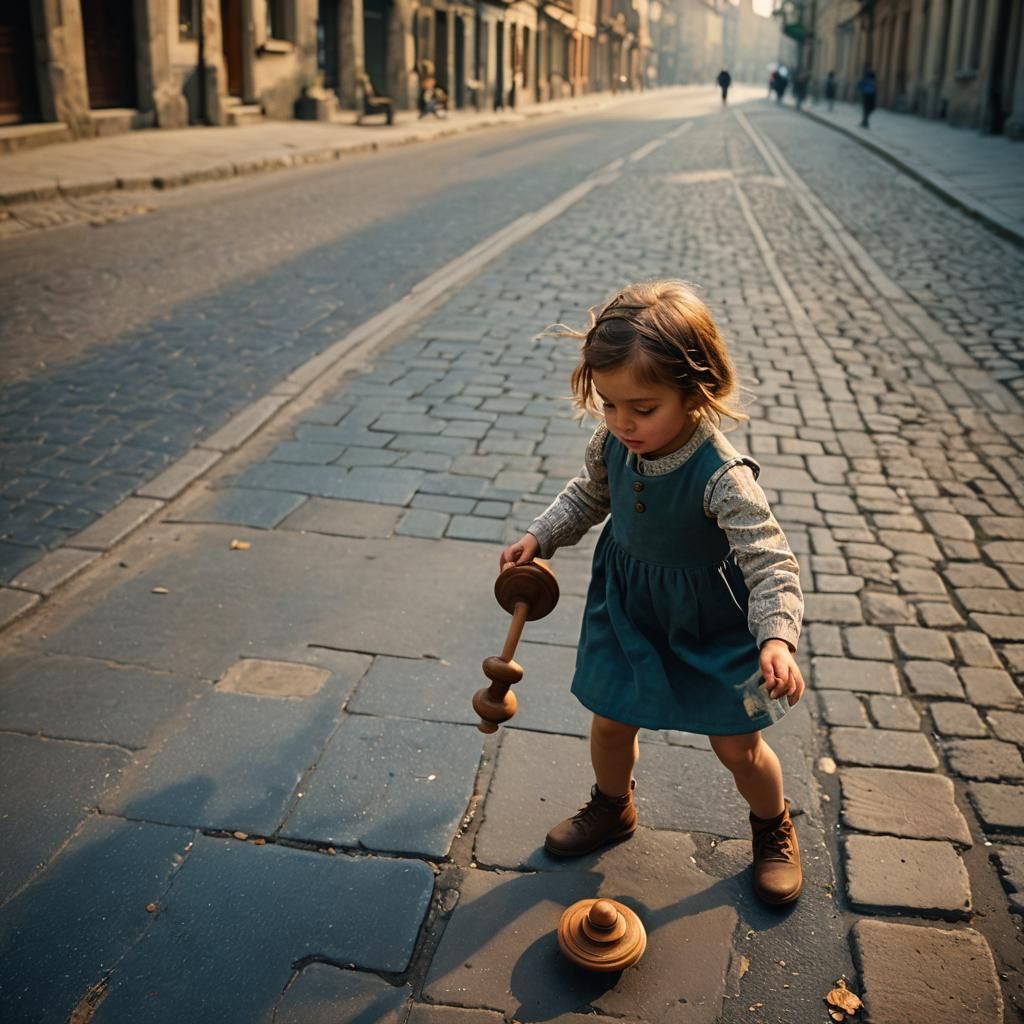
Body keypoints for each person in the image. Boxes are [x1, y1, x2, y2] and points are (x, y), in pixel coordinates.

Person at [499, 281, 806, 906]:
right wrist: (541, 534)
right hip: (630, 609)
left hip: (710, 625)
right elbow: (589, 494)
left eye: (642, 407)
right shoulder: (612, 442)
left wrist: (777, 637)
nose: (622, 422)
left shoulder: (722, 477)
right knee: (611, 721)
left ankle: (772, 826)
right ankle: (613, 806)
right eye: (609, 405)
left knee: (739, 746)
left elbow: (771, 562)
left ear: (697, 392)